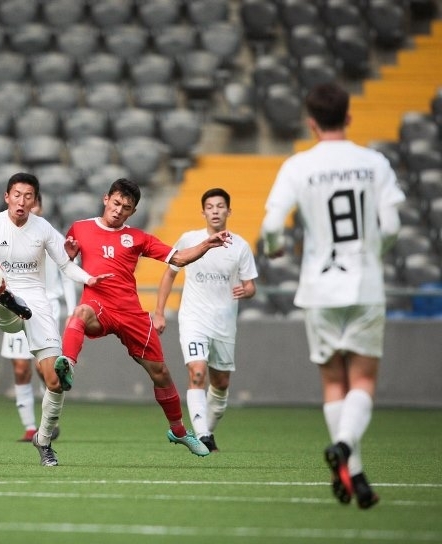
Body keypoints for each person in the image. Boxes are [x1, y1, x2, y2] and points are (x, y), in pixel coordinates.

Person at [260, 82, 405, 509]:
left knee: (333, 382)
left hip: (319, 286)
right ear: (349, 117)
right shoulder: (374, 163)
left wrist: (275, 248)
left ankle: (354, 473)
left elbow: (272, 227)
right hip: (364, 283)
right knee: (363, 381)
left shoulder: (298, 165)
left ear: (311, 123)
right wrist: (372, 254)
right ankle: (345, 452)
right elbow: (392, 226)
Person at [56, 178, 232, 458]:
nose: (118, 210)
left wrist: (206, 245)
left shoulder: (138, 238)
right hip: (98, 304)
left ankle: (179, 431)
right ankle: (67, 365)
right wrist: (67, 255)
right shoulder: (80, 228)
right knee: (79, 313)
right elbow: (65, 262)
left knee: (160, 373)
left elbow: (178, 259)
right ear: (106, 199)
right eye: (116, 203)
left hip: (131, 314)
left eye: (126, 207)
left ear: (133, 212)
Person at [0, 172, 111, 466]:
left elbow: (66, 265)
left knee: (54, 381)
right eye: (17, 195)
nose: (22, 202)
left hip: (37, 303)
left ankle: (43, 440)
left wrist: (90, 279)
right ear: (7, 197)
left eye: (28, 197)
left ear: (35, 201)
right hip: (1, 294)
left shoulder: (43, 228)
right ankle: (5, 301)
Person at [152, 188, 258, 453]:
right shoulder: (190, 239)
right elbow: (169, 274)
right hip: (194, 319)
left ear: (228, 211)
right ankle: (203, 436)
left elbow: (250, 285)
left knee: (220, 384)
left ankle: (207, 431)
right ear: (203, 212)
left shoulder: (241, 246)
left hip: (224, 323)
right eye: (210, 207)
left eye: (220, 206)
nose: (215, 211)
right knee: (197, 373)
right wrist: (159, 311)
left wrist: (246, 290)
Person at [0, 195, 77, 442]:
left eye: (33, 203)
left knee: (42, 367)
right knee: (20, 368)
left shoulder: (52, 237)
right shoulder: (4, 237)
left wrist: (72, 310)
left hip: (46, 308)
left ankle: (50, 418)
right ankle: (30, 427)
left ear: (40, 207)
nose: (27, 207)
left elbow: (67, 275)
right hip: (14, 307)